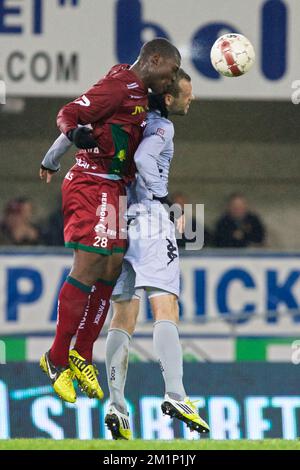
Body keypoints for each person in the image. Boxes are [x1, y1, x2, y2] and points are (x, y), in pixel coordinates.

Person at [39, 38, 181, 404]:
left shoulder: (136, 90)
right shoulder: (119, 86)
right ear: (155, 59)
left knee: (113, 266)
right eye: (171, 71)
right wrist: (71, 135)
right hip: (91, 183)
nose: (172, 81)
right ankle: (56, 358)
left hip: (115, 185)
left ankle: (82, 354)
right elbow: (70, 112)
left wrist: (50, 159)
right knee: (88, 266)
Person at [104, 70, 210, 440]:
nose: (190, 100)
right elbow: (148, 161)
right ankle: (176, 394)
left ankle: (116, 404)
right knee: (165, 306)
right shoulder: (162, 127)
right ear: (168, 98)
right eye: (187, 94)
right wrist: (165, 202)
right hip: (149, 219)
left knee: (123, 314)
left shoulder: (128, 120)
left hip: (119, 218)